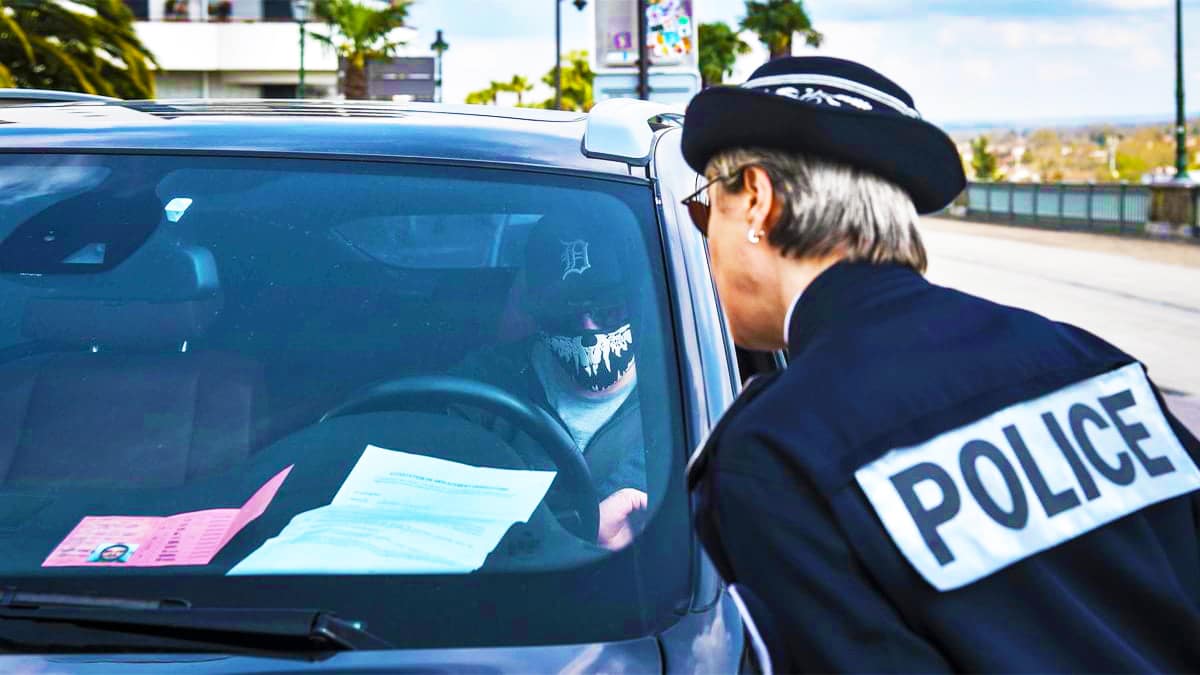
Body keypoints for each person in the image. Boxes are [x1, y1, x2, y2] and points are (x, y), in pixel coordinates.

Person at [681, 56, 1200, 672]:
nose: (704, 239)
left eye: (704, 209)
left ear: (759, 200)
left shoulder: (776, 450)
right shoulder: (1085, 360)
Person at [453, 215, 647, 551]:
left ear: (637, 304)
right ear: (536, 312)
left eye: (608, 311)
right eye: (565, 314)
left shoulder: (684, 391)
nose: (588, 329)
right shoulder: (485, 384)